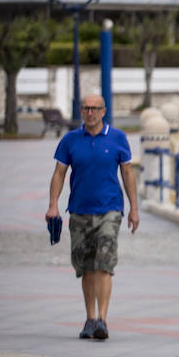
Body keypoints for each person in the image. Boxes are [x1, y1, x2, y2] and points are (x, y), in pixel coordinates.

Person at [45, 93, 139, 340]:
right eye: (86, 108)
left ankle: (103, 320)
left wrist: (134, 208)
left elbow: (128, 174)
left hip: (110, 209)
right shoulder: (70, 140)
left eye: (95, 108)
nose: (90, 113)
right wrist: (53, 205)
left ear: (103, 111)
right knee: (86, 266)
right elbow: (59, 174)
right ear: (81, 110)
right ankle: (89, 319)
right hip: (78, 210)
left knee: (104, 264)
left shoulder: (118, 138)